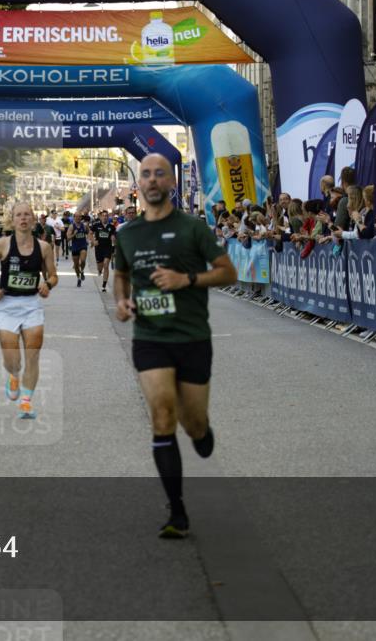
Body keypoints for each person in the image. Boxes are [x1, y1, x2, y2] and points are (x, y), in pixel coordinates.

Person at [113, 154, 236, 539]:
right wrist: (122, 300)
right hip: (151, 339)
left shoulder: (192, 228)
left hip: (192, 336)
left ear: (171, 182)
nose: (151, 180)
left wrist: (186, 280)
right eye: (145, 174)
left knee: (193, 422)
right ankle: (177, 511)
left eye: (158, 174)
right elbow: (121, 275)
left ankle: (201, 433)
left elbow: (228, 272)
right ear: (140, 184)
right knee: (162, 413)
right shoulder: (127, 233)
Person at [0, 201, 57, 419]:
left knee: (33, 354)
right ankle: (13, 376)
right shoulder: (2, 244)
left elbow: (53, 275)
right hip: (6, 306)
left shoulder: (44, 247)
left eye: (27, 215)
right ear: (12, 220)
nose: (23, 218)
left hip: (32, 305)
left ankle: (26, 402)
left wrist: (47, 285)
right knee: (13, 359)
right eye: (19, 215)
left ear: (33, 219)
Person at [91, 210, 117, 292]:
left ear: (108, 217)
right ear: (100, 217)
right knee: (100, 266)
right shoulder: (96, 225)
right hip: (98, 248)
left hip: (107, 248)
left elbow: (114, 237)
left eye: (106, 216)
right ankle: (99, 270)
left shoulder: (112, 227)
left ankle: (104, 284)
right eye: (103, 215)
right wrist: (93, 241)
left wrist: (113, 241)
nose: (105, 217)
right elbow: (90, 233)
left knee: (106, 265)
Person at [66, 213, 90, 287]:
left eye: (80, 217)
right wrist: (74, 234)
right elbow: (68, 238)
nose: (78, 218)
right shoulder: (71, 227)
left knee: (83, 260)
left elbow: (89, 232)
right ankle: (78, 278)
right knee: (76, 265)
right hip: (75, 246)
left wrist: (88, 238)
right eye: (77, 217)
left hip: (83, 245)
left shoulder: (84, 225)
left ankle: (82, 271)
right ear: (74, 218)